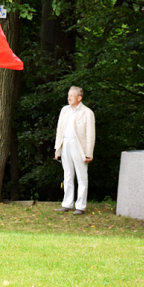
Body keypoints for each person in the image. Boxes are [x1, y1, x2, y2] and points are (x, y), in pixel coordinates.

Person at [54, 86, 95, 215]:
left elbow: (90, 135)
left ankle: (80, 206)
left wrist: (89, 153)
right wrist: (57, 149)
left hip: (79, 146)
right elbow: (59, 130)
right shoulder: (64, 110)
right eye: (68, 95)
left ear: (79, 98)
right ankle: (67, 204)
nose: (69, 98)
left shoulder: (87, 112)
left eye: (71, 96)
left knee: (82, 176)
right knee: (67, 175)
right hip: (65, 143)